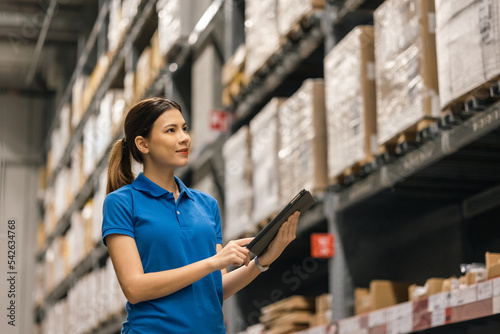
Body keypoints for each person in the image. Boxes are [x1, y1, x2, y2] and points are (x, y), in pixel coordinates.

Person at [102, 97, 300, 333]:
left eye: (184, 128)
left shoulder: (206, 205)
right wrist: (213, 263)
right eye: (171, 130)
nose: (185, 137)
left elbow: (216, 288)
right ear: (143, 144)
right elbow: (134, 287)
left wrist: (263, 261)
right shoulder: (122, 202)